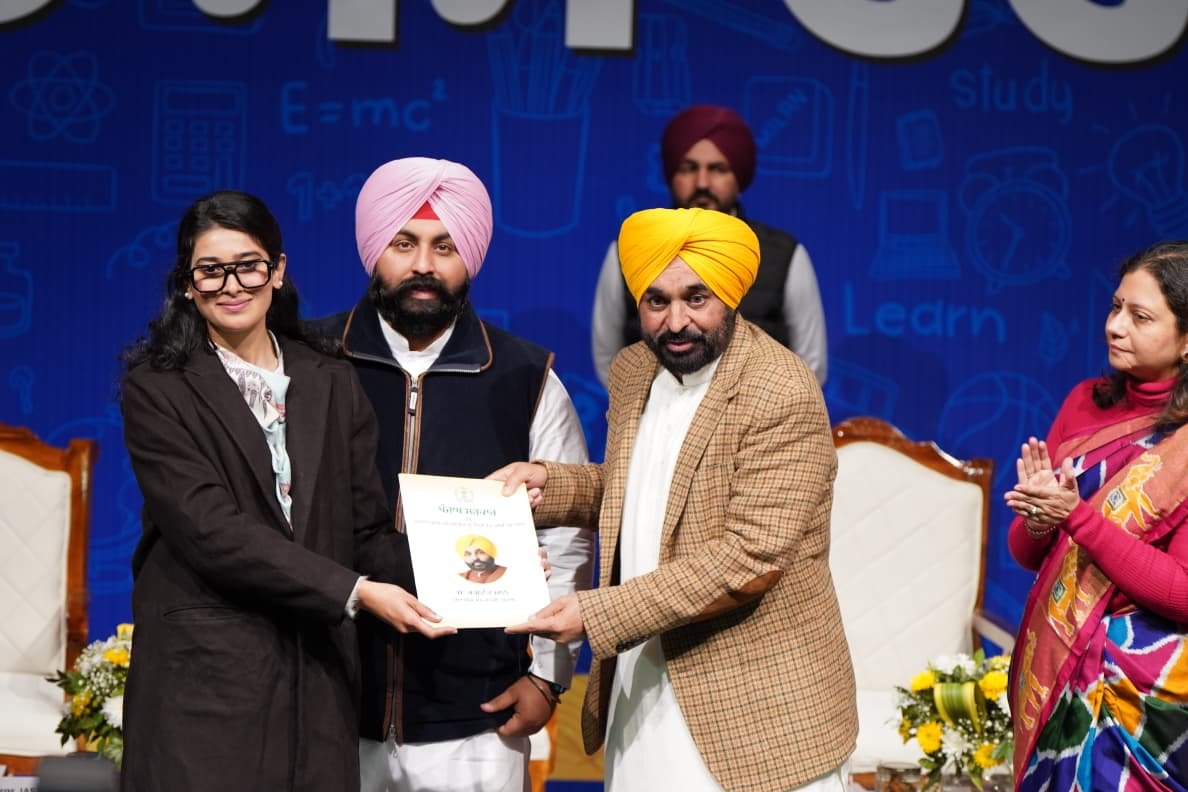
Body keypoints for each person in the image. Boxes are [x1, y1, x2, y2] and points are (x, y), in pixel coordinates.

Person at [492, 207, 857, 792]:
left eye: (696, 298)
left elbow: (749, 558)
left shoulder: (781, 389)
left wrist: (596, 613)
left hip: (757, 712)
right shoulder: (636, 370)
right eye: (656, 301)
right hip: (643, 687)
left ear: (731, 295)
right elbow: (639, 489)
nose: (676, 321)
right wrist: (547, 484)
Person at [118, 190, 453, 792]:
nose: (231, 285)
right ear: (188, 284)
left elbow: (364, 532)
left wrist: (468, 566)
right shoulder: (158, 389)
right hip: (204, 690)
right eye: (210, 270)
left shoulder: (330, 379)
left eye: (248, 265)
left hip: (317, 685)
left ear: (277, 271)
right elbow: (210, 530)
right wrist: (353, 591)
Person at [318, 157, 593, 792]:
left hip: (476, 716)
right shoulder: (311, 360)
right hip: (325, 702)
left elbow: (566, 535)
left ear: (470, 254)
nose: (424, 265)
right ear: (372, 249)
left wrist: (547, 677)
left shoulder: (525, 378)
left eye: (445, 246)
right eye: (403, 243)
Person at [1004, 241, 1188, 791]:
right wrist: (1041, 516)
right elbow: (1027, 552)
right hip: (1057, 665)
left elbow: (1183, 592)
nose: (1114, 326)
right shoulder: (1086, 402)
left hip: (1143, 694)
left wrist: (1077, 518)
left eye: (1140, 317)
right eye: (1115, 307)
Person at [589, 103, 827, 388]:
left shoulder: (784, 254)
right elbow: (608, 357)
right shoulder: (628, 250)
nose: (702, 183)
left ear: (739, 177)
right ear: (671, 175)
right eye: (688, 168)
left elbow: (811, 364)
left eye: (717, 169)